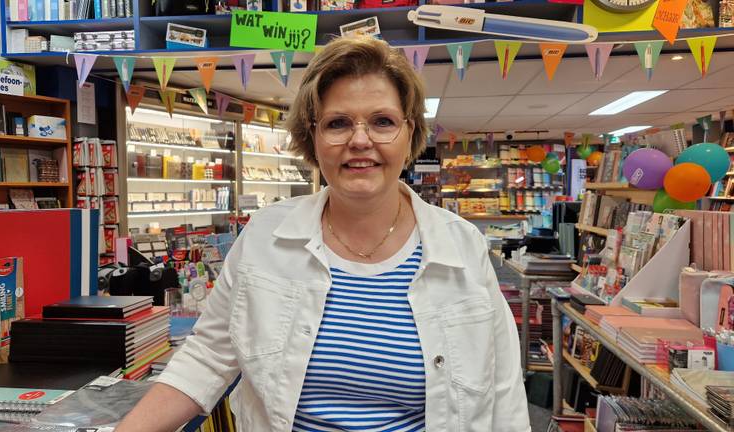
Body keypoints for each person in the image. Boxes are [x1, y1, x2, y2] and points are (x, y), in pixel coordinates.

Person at [115, 36, 531, 432]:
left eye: (383, 122)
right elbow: (205, 358)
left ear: (410, 135)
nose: (360, 140)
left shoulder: (461, 246)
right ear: (312, 137)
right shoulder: (265, 236)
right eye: (338, 123)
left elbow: (504, 396)